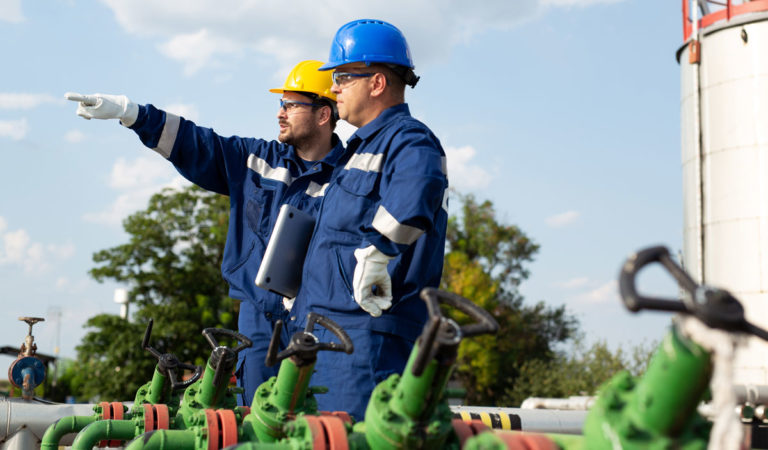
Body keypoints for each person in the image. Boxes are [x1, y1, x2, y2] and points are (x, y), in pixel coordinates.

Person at [65, 60, 345, 407]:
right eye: (280, 104)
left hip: (318, 321)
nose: (280, 114)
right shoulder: (256, 160)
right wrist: (132, 113)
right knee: (254, 419)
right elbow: (197, 143)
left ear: (323, 114)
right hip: (256, 321)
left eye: (291, 105)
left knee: (316, 419)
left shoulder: (350, 179)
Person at [285, 19, 449, 420]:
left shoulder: (409, 139)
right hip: (321, 337)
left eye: (342, 76)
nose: (334, 87)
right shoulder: (354, 154)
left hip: (364, 344)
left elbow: (419, 189)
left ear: (377, 83)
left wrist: (378, 254)